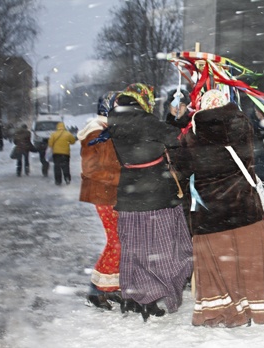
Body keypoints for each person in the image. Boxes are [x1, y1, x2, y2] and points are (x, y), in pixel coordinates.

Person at [180, 89, 264, 328]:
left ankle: (229, 311)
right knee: (249, 262)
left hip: (211, 215)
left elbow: (182, 172)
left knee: (221, 267)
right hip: (243, 208)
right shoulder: (243, 126)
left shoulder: (193, 137)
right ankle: (254, 306)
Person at [107, 83, 193, 321]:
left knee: (134, 249)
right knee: (162, 249)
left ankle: (133, 297)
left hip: (129, 195)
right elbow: (175, 138)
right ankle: (150, 298)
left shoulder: (114, 120)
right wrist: (178, 119)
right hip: (154, 194)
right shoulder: (146, 120)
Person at [78, 91, 122, 310]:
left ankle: (109, 287)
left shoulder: (105, 130)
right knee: (117, 242)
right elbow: (92, 169)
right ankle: (96, 290)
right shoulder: (96, 131)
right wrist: (122, 177)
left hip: (110, 193)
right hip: (105, 194)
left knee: (118, 240)